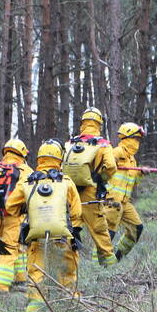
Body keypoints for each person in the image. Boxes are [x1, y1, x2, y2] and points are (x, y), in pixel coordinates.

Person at [5, 140, 83, 312]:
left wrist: (27, 207)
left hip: (37, 237)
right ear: (59, 159)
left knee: (36, 274)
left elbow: (10, 206)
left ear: (39, 159)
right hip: (63, 237)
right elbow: (77, 212)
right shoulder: (66, 181)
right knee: (67, 273)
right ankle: (71, 309)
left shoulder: (27, 182)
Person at [62, 107, 118, 266]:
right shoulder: (103, 144)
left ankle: (71, 264)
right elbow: (111, 166)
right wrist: (100, 179)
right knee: (99, 229)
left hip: (70, 191)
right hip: (91, 193)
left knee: (72, 226)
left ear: (82, 123)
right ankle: (109, 264)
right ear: (99, 124)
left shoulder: (71, 142)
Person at [0, 138, 34, 293]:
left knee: (17, 245)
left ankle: (21, 278)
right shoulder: (25, 171)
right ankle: (0, 288)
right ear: (23, 154)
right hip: (13, 217)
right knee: (9, 249)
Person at [105, 122, 146, 260]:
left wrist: (140, 173)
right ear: (127, 137)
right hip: (112, 201)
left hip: (124, 202)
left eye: (139, 139)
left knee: (137, 228)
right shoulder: (117, 152)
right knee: (108, 234)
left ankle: (118, 258)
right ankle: (100, 265)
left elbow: (133, 182)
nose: (137, 142)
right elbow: (105, 168)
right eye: (136, 138)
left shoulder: (132, 160)